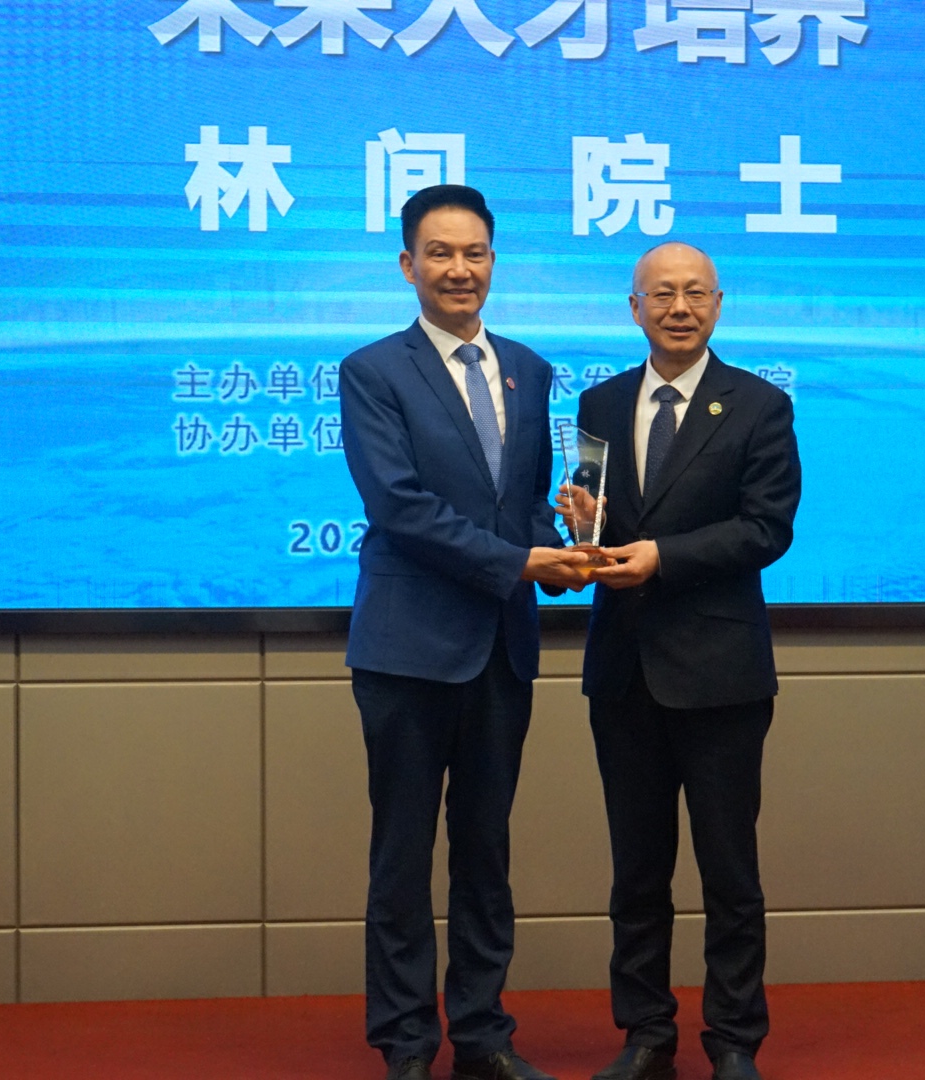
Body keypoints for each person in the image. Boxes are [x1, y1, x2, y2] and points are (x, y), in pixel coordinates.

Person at [339, 184, 590, 1080]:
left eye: (474, 253)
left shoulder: (528, 368)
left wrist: (569, 542)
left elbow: (522, 506)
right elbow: (399, 507)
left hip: (501, 649)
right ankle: (407, 1043)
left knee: (487, 852)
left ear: (494, 261)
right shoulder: (374, 371)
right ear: (407, 265)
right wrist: (522, 562)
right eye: (440, 253)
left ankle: (483, 1035)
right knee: (403, 857)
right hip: (408, 649)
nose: (459, 269)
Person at [567, 242, 802, 1080]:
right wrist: (581, 529)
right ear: (634, 307)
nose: (679, 307)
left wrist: (662, 556)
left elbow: (766, 529)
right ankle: (646, 1035)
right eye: (661, 294)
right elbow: (595, 520)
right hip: (623, 671)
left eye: (695, 293)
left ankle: (734, 1039)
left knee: (730, 872)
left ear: (719, 304)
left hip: (720, 675)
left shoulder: (759, 405)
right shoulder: (599, 402)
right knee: (636, 871)